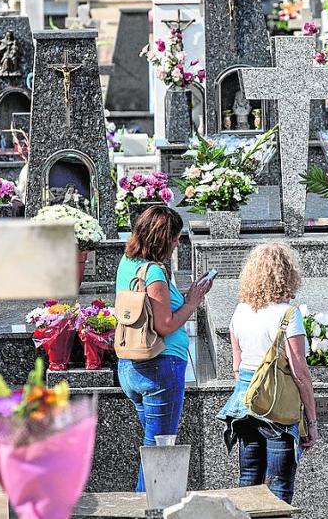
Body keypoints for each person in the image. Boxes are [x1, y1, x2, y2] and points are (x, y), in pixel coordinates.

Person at [116, 206, 213, 492]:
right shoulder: (155, 272)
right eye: (175, 237)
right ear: (162, 238)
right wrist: (192, 301)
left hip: (130, 366)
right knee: (159, 453)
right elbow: (165, 325)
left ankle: (148, 506)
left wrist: (183, 297)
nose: (177, 243)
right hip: (159, 367)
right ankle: (148, 508)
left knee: (152, 447)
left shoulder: (127, 263)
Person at [217, 243, 317, 503]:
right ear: (287, 274)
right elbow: (300, 373)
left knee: (248, 480)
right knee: (279, 485)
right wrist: (312, 422)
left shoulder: (240, 311)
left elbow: (237, 366)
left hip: (244, 404)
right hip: (277, 406)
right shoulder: (288, 315)